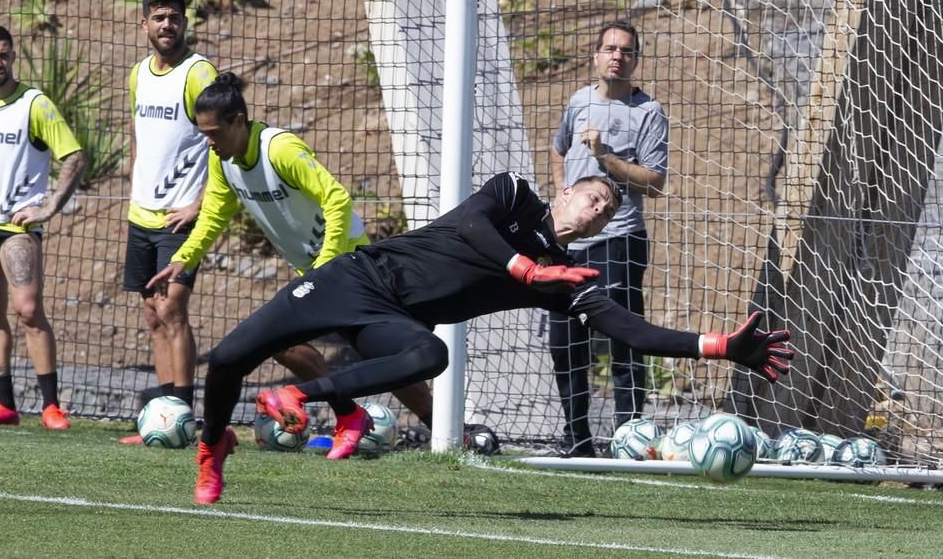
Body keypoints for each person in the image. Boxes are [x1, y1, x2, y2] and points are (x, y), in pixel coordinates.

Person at [191, 171, 793, 504]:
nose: (599, 210)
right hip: (356, 277)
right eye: (593, 196)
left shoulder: (569, 279)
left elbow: (629, 330)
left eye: (608, 210)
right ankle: (212, 446)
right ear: (564, 193)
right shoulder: (514, 196)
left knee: (431, 353)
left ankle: (307, 399)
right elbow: (474, 226)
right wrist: (526, 269)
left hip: (388, 320)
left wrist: (719, 347)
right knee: (227, 359)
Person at [145, 72, 437, 459]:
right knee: (281, 344)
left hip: (351, 267)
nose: (208, 142)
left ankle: (447, 431)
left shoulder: (279, 149)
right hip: (314, 274)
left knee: (381, 356)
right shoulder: (224, 161)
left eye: (213, 133)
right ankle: (349, 412)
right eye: (203, 134)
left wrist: (326, 266)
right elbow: (214, 214)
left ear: (238, 122)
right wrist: (184, 259)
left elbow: (336, 199)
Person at [0, 24, 87, 429]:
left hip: (17, 229)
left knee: (27, 309)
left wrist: (51, 206)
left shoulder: (34, 104)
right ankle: (3, 405)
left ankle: (50, 406)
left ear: (13, 57)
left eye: (4, 55)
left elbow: (74, 157)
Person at [549, 20, 668, 456]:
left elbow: (654, 182)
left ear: (635, 61)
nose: (618, 56)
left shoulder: (648, 112)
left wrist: (605, 156)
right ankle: (576, 437)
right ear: (596, 56)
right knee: (565, 341)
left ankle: (629, 438)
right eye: (610, 49)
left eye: (627, 51)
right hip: (567, 244)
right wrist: (563, 195)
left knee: (624, 338)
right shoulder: (579, 101)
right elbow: (559, 148)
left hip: (619, 239)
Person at [118, 0, 217, 444]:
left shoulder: (198, 73)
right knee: (152, 315)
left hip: (182, 218)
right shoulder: (139, 74)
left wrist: (199, 203)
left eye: (174, 17)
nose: (167, 25)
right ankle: (161, 417)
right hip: (143, 215)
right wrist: (135, 188)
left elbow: (221, 142)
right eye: (158, 17)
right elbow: (138, 135)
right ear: (144, 24)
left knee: (173, 308)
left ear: (185, 22)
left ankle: (184, 417)